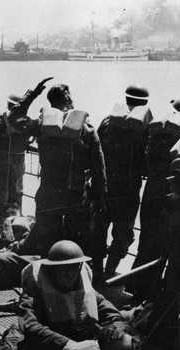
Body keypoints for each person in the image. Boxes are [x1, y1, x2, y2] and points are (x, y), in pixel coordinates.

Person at [8, 78, 106, 258]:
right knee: (77, 245)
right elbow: (99, 168)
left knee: (47, 245)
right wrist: (98, 198)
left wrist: (33, 93)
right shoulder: (87, 130)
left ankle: (45, 280)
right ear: (69, 100)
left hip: (48, 195)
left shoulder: (40, 126)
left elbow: (14, 118)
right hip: (76, 197)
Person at [127, 98, 180, 301]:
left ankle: (133, 287)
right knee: (160, 246)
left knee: (145, 243)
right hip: (167, 196)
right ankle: (144, 294)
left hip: (150, 192)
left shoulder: (156, 130)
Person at [18, 240, 133, 350]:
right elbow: (30, 325)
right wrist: (68, 344)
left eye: (75, 267)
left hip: (83, 344)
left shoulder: (85, 290)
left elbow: (113, 314)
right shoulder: (36, 291)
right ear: (53, 269)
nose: (71, 274)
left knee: (125, 339)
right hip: (51, 346)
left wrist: (114, 331)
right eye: (65, 268)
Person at [92, 85, 152, 282]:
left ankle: (97, 271)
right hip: (128, 188)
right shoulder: (144, 127)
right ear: (145, 103)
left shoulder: (108, 122)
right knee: (124, 231)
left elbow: (96, 147)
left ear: (126, 100)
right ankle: (110, 272)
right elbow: (147, 160)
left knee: (99, 227)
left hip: (104, 184)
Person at [0, 93, 32, 228]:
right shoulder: (27, 122)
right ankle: (16, 226)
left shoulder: (3, 120)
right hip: (19, 162)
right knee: (16, 195)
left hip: (0, 162)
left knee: (1, 195)